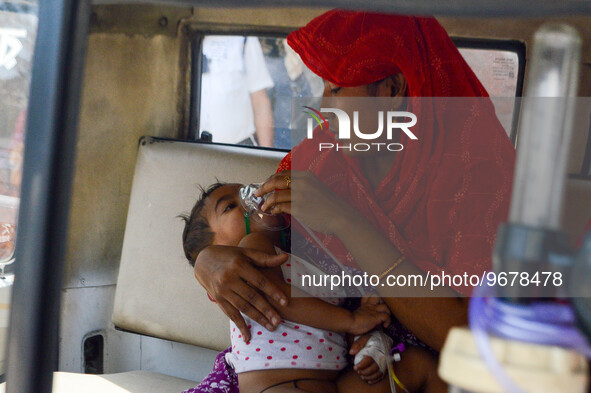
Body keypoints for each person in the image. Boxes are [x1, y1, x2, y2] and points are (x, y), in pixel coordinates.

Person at [191, 9, 516, 392]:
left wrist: (344, 221)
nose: (323, 106)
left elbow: (467, 336)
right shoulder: (320, 159)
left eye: (337, 89)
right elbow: (264, 243)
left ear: (393, 90)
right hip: (324, 363)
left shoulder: (479, 175)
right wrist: (209, 262)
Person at [181, 182, 444, 392]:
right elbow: (283, 301)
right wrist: (352, 320)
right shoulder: (252, 250)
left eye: (246, 190)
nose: (250, 198)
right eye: (230, 206)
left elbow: (326, 324)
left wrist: (366, 344)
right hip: (280, 388)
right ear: (219, 252)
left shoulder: (297, 259)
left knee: (420, 367)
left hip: (329, 383)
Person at [199, 36, 275, 147]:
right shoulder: (184, 37)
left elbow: (260, 99)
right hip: (194, 151)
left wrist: (267, 153)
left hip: (239, 148)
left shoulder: (244, 37)